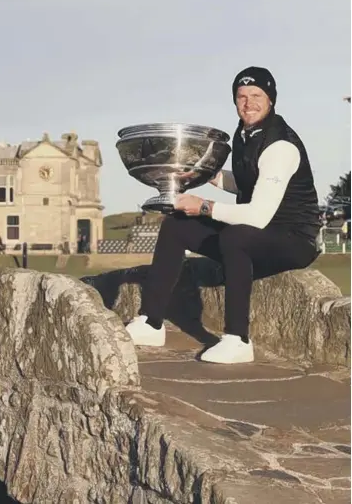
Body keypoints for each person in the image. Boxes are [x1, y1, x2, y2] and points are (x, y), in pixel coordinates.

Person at [126, 66, 321, 364]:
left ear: (271, 99)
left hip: (294, 240)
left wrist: (204, 206)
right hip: (258, 235)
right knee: (177, 225)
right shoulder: (245, 133)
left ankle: (238, 340)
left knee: (236, 235)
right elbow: (246, 181)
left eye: (256, 95)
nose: (248, 102)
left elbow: (256, 216)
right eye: (241, 96)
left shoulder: (280, 145)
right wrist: (206, 175)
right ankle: (151, 323)